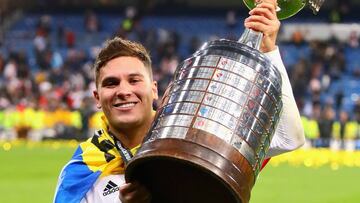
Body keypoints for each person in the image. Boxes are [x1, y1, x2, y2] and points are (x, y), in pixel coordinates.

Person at [53, 0, 305, 202]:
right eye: (111, 83)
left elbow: (287, 137)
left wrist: (269, 52)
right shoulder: (81, 170)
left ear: (154, 90)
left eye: (134, 80)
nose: (123, 90)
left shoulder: (195, 133)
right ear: (97, 98)